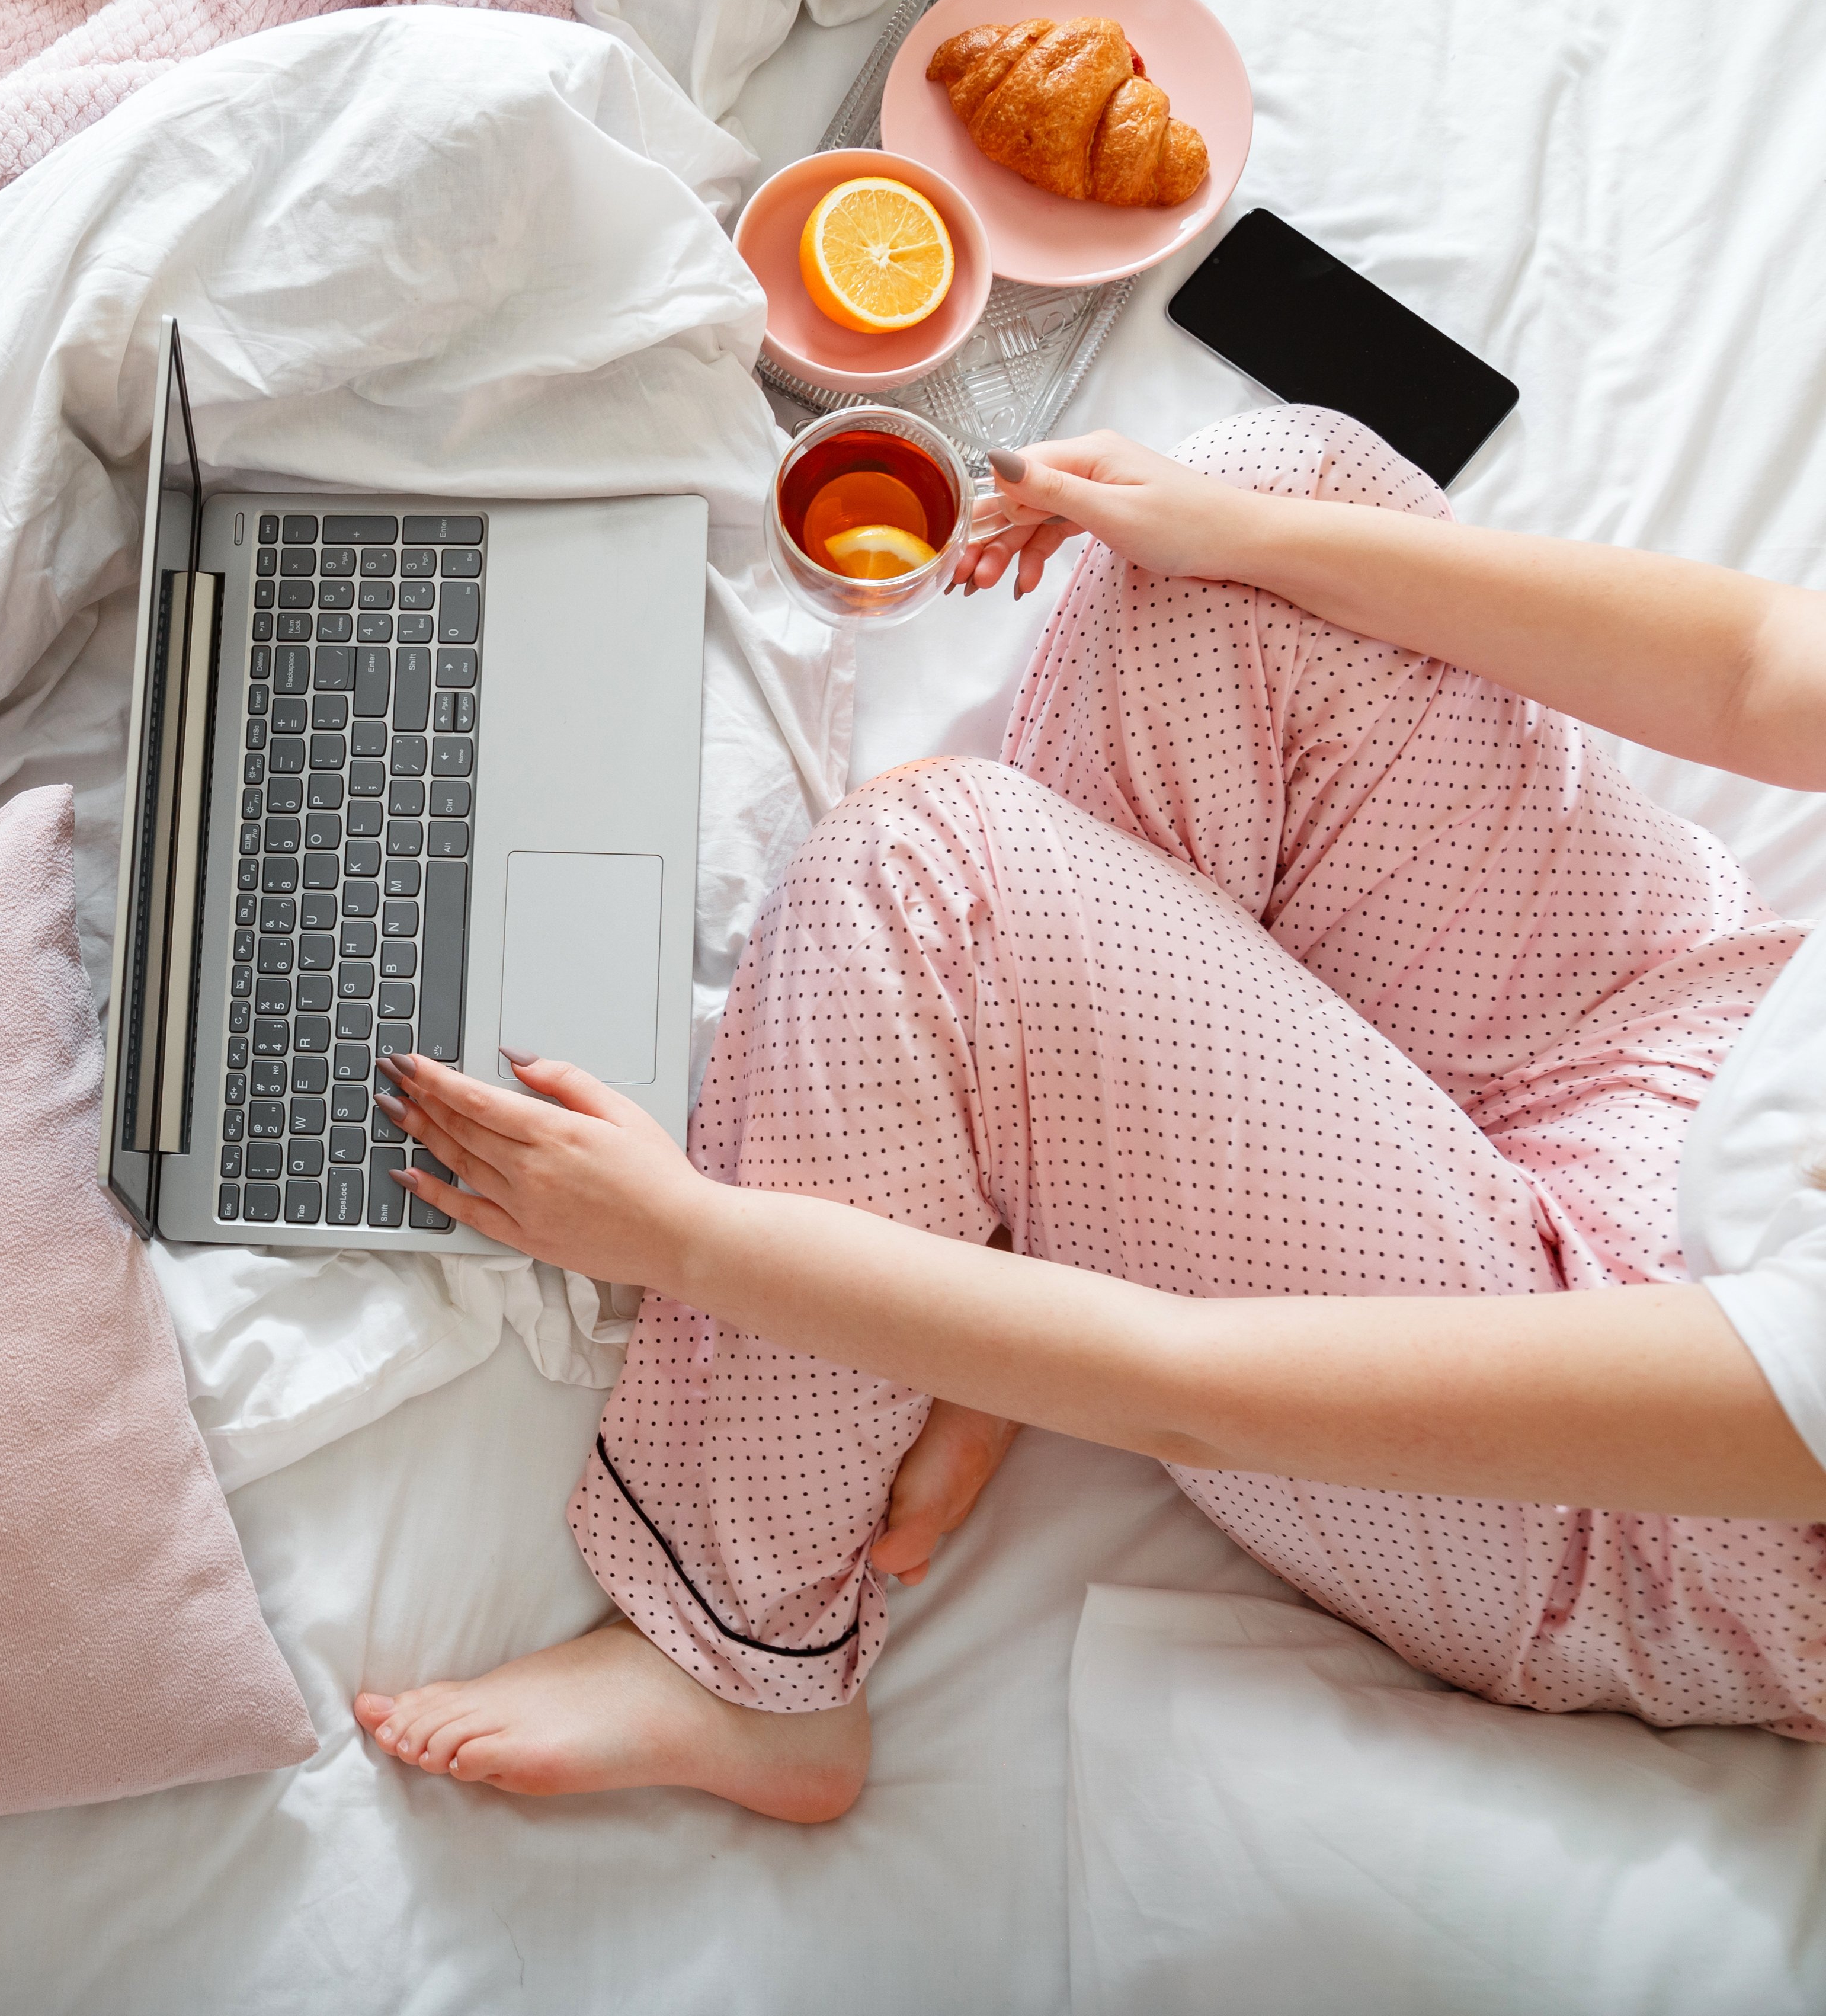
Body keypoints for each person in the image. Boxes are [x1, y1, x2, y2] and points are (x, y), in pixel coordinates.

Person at [349, 406, 1826, 1823]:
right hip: (1692, 1031)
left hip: (1657, 1515)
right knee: (1271, 515)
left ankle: (750, 1659)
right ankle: (1006, 1184)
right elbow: (1761, 666)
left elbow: (1191, 1382)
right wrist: (1231, 527)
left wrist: (686, 1239)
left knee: (938, 876)